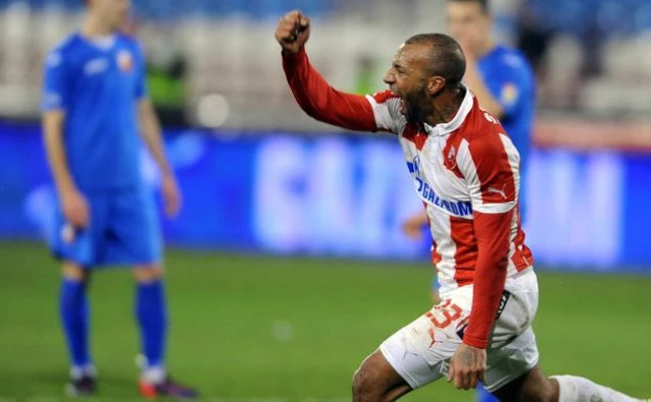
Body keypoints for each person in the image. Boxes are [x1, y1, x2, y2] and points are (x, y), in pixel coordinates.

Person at [275, 10, 644, 402]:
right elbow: (327, 105)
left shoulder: (484, 146)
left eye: (400, 70)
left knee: (370, 383)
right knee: (539, 397)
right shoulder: (405, 112)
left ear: (434, 84)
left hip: (498, 291)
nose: (387, 77)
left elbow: (494, 254)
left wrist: (475, 341)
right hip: (464, 287)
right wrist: (294, 57)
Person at [41, 0, 197, 397]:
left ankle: (154, 374)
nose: (126, 3)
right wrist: (66, 190)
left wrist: (166, 173)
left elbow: (143, 113)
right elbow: (52, 126)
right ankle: (81, 369)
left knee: (151, 270)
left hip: (131, 187)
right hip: (86, 189)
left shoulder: (130, 51)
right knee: (77, 272)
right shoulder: (65, 57)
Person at [402, 0, 536, 312]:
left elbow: (491, 112)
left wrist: (467, 62)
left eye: (467, 20)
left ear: (488, 21)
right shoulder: (453, 75)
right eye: (453, 21)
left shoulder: (509, 66)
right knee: (463, 305)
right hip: (464, 203)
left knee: (457, 304)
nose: (459, 29)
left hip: (497, 203)